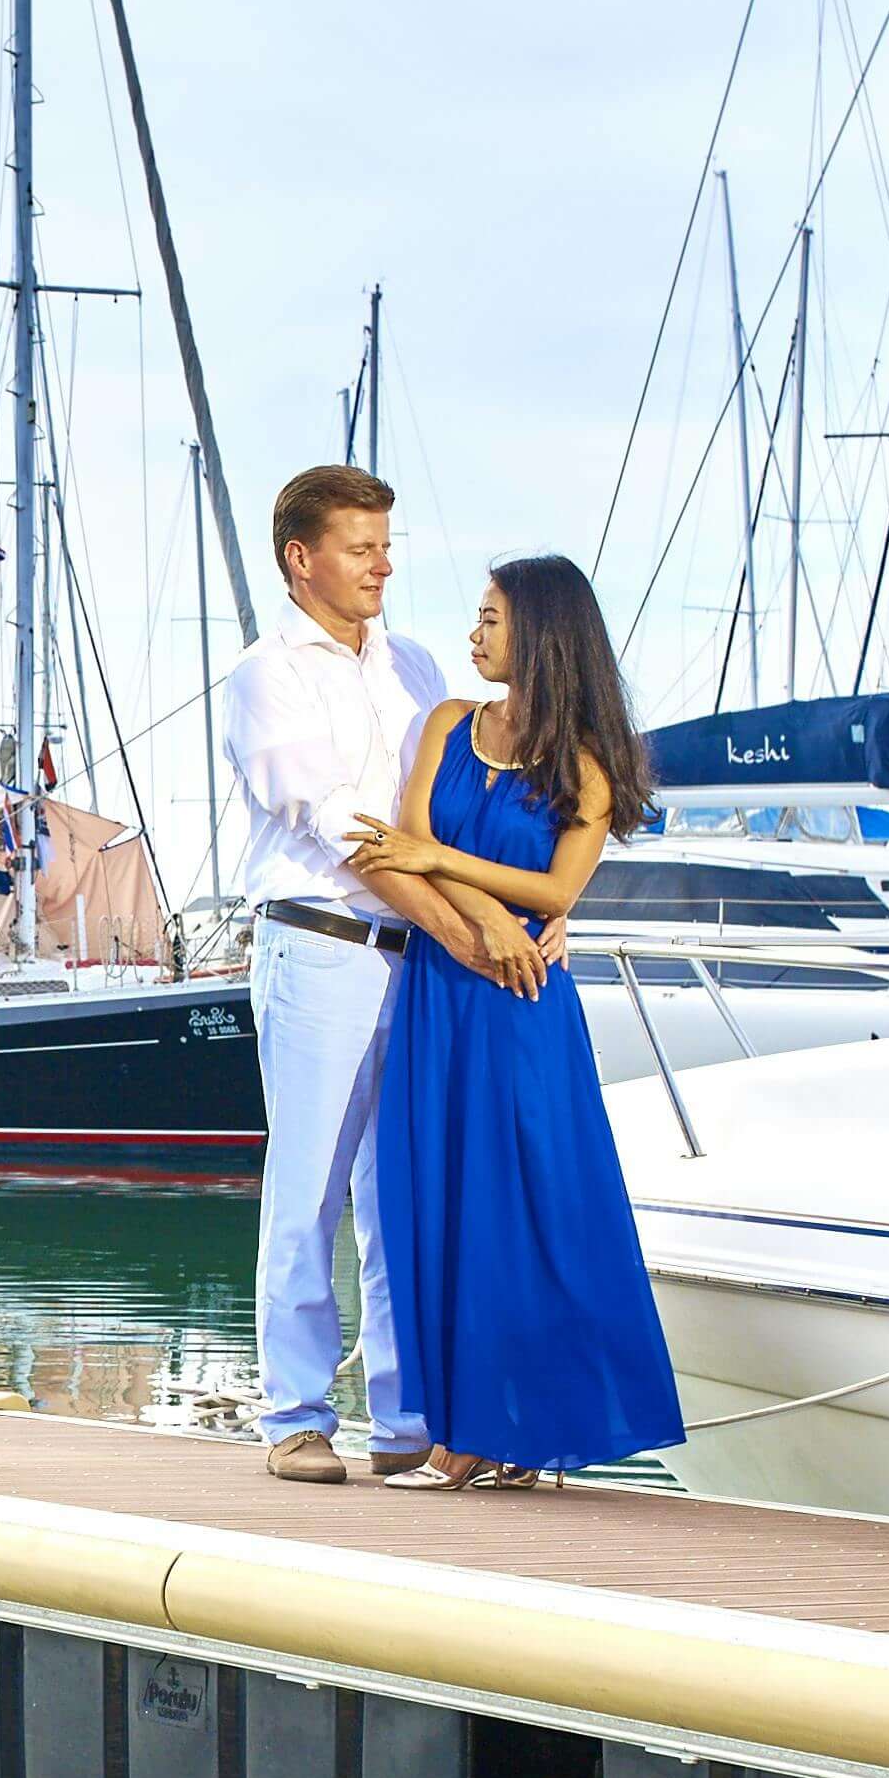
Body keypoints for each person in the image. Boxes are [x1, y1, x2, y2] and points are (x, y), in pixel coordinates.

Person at [217, 468, 554, 1487]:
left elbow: (450, 815)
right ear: (301, 557)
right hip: (323, 942)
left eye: (385, 544)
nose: (383, 564)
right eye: (361, 547)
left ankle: (407, 1418)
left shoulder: (411, 665)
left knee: (402, 1188)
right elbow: (350, 833)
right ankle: (294, 1415)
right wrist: (473, 928)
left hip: (423, 957)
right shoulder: (264, 674)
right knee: (310, 1183)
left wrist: (532, 911)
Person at [345, 558, 686, 1486]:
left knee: (530, 1211)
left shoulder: (585, 765)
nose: (474, 635)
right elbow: (396, 845)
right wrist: (483, 909)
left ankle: (516, 1435)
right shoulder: (450, 723)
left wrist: (449, 865)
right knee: (438, 1201)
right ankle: (461, 1432)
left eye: (490, 617)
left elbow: (556, 888)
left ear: (539, 631)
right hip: (443, 987)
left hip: (524, 1005)